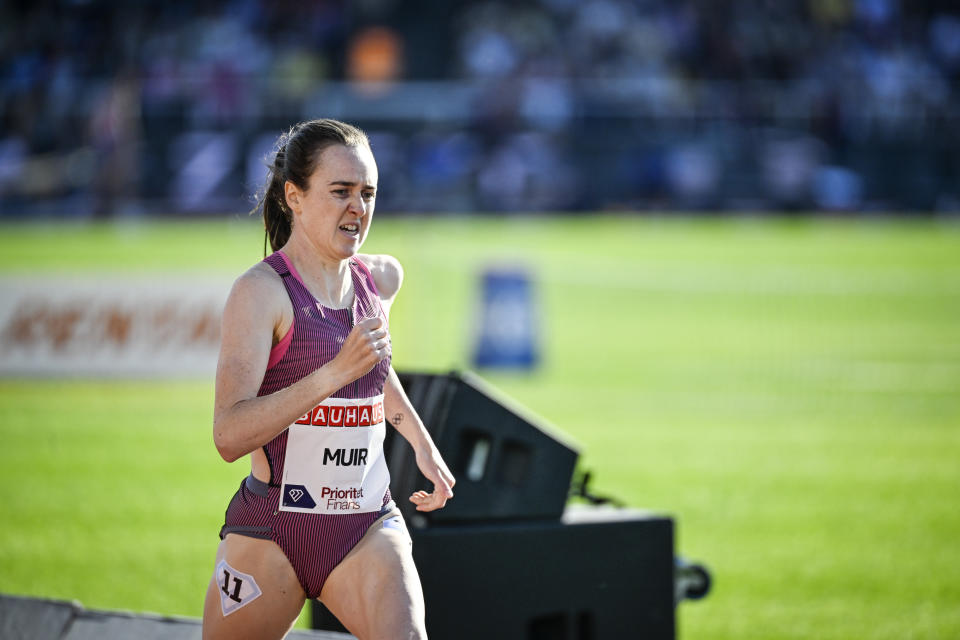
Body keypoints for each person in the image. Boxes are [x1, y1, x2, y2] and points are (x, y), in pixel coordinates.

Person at [202, 118, 455, 640]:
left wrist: (420, 443)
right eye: (340, 192)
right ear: (294, 196)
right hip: (272, 531)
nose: (358, 208)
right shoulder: (262, 293)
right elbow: (229, 436)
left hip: (365, 523)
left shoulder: (378, 279)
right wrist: (333, 371)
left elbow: (373, 370)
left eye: (368, 193)